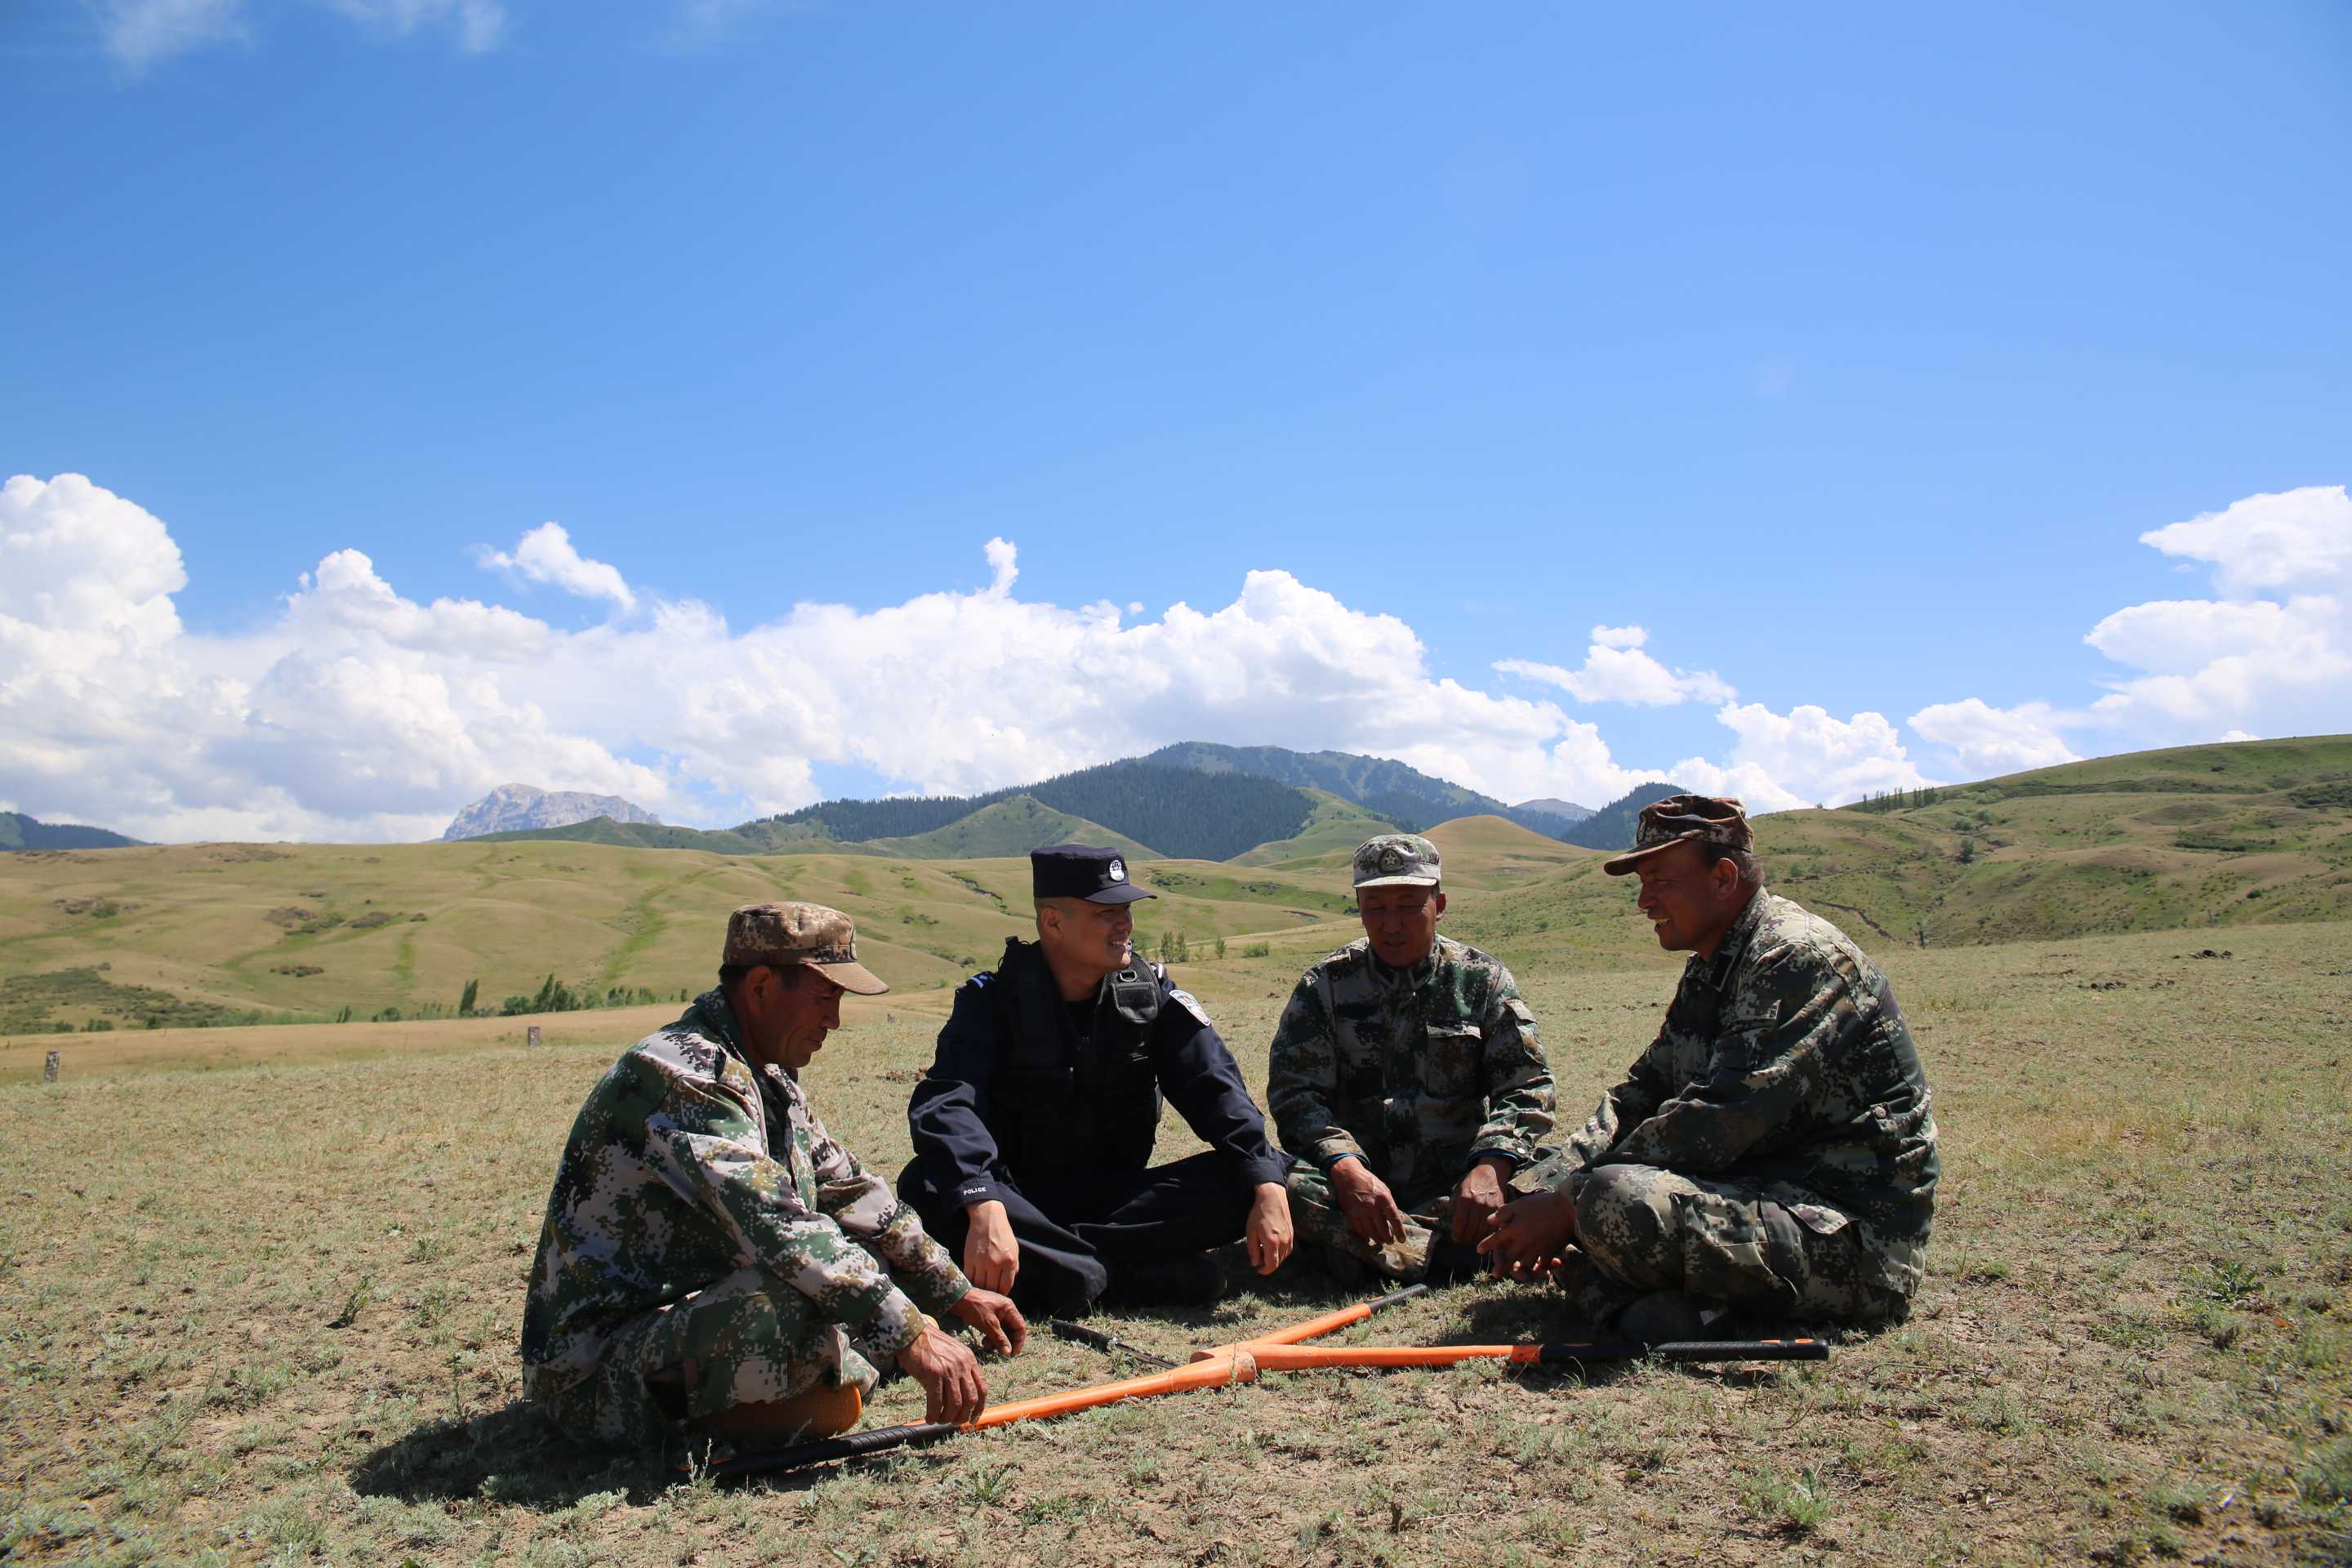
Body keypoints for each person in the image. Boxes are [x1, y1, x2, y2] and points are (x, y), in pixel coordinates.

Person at [520, 902, 1027, 1450]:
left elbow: (847, 1189)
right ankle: (792, 1400)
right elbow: (782, 1230)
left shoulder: (764, 1074)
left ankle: (812, 1385)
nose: (834, 1020)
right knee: (797, 1295)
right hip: (596, 1373)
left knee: (859, 1269)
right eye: (826, 996)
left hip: (688, 1312)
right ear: (761, 987)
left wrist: (952, 1290)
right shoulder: (682, 1076)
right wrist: (911, 1332)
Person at [1480, 795, 1940, 1339]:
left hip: (1849, 1236)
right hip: (1760, 1197)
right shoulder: (1712, 967)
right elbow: (1639, 1096)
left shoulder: (1799, 959)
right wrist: (1539, 1189)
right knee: (1584, 1189)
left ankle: (1659, 1304)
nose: (1644, 902)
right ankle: (1645, 1301)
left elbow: (1719, 1120)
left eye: (1660, 881)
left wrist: (1567, 1205)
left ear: (1723, 878)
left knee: (1614, 1201)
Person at [898, 844, 1294, 1316]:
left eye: (1125, 910)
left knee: (1251, 1173)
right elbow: (946, 1103)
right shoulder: (993, 1003)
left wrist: (1266, 1182)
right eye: (1106, 913)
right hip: (1016, 1200)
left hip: (1117, 1202)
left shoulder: (1150, 995)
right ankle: (1117, 1275)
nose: (1124, 924)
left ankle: (1071, 1271)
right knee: (925, 1184)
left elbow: (1214, 1087)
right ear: (1053, 923)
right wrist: (983, 1201)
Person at [1265, 832, 1557, 1282]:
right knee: (1294, 1188)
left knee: (1559, 1172)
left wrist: (1491, 1167)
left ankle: (1377, 1253)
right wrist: (1346, 1168)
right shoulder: (1324, 986)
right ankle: (1456, 1256)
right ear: (1359, 909)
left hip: (1459, 1181)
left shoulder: (1483, 980)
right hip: (1360, 1182)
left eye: (1408, 906)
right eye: (1376, 908)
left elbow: (1527, 1086)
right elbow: (1296, 1095)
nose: (1391, 924)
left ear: (1439, 905)